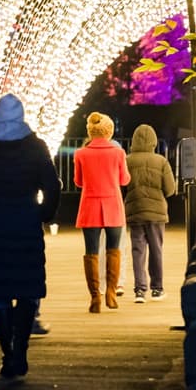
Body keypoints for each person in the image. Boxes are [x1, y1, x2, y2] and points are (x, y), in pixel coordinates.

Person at [0, 94, 61, 379]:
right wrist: (44, 213)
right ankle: (21, 350)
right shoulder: (35, 146)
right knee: (28, 288)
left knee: (1, 292)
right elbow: (52, 184)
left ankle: (7, 353)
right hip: (25, 223)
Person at [74, 111, 130, 313]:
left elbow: (78, 182)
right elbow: (124, 180)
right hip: (113, 205)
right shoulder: (118, 153)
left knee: (91, 252)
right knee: (114, 250)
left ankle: (95, 297)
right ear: (109, 131)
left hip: (89, 206)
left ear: (90, 131)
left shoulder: (81, 154)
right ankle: (112, 294)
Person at [124, 124, 177, 303]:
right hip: (156, 213)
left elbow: (122, 184)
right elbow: (170, 189)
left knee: (138, 250)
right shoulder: (161, 161)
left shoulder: (128, 160)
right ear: (154, 141)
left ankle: (140, 290)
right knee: (156, 250)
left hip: (135, 210)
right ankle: (157, 289)